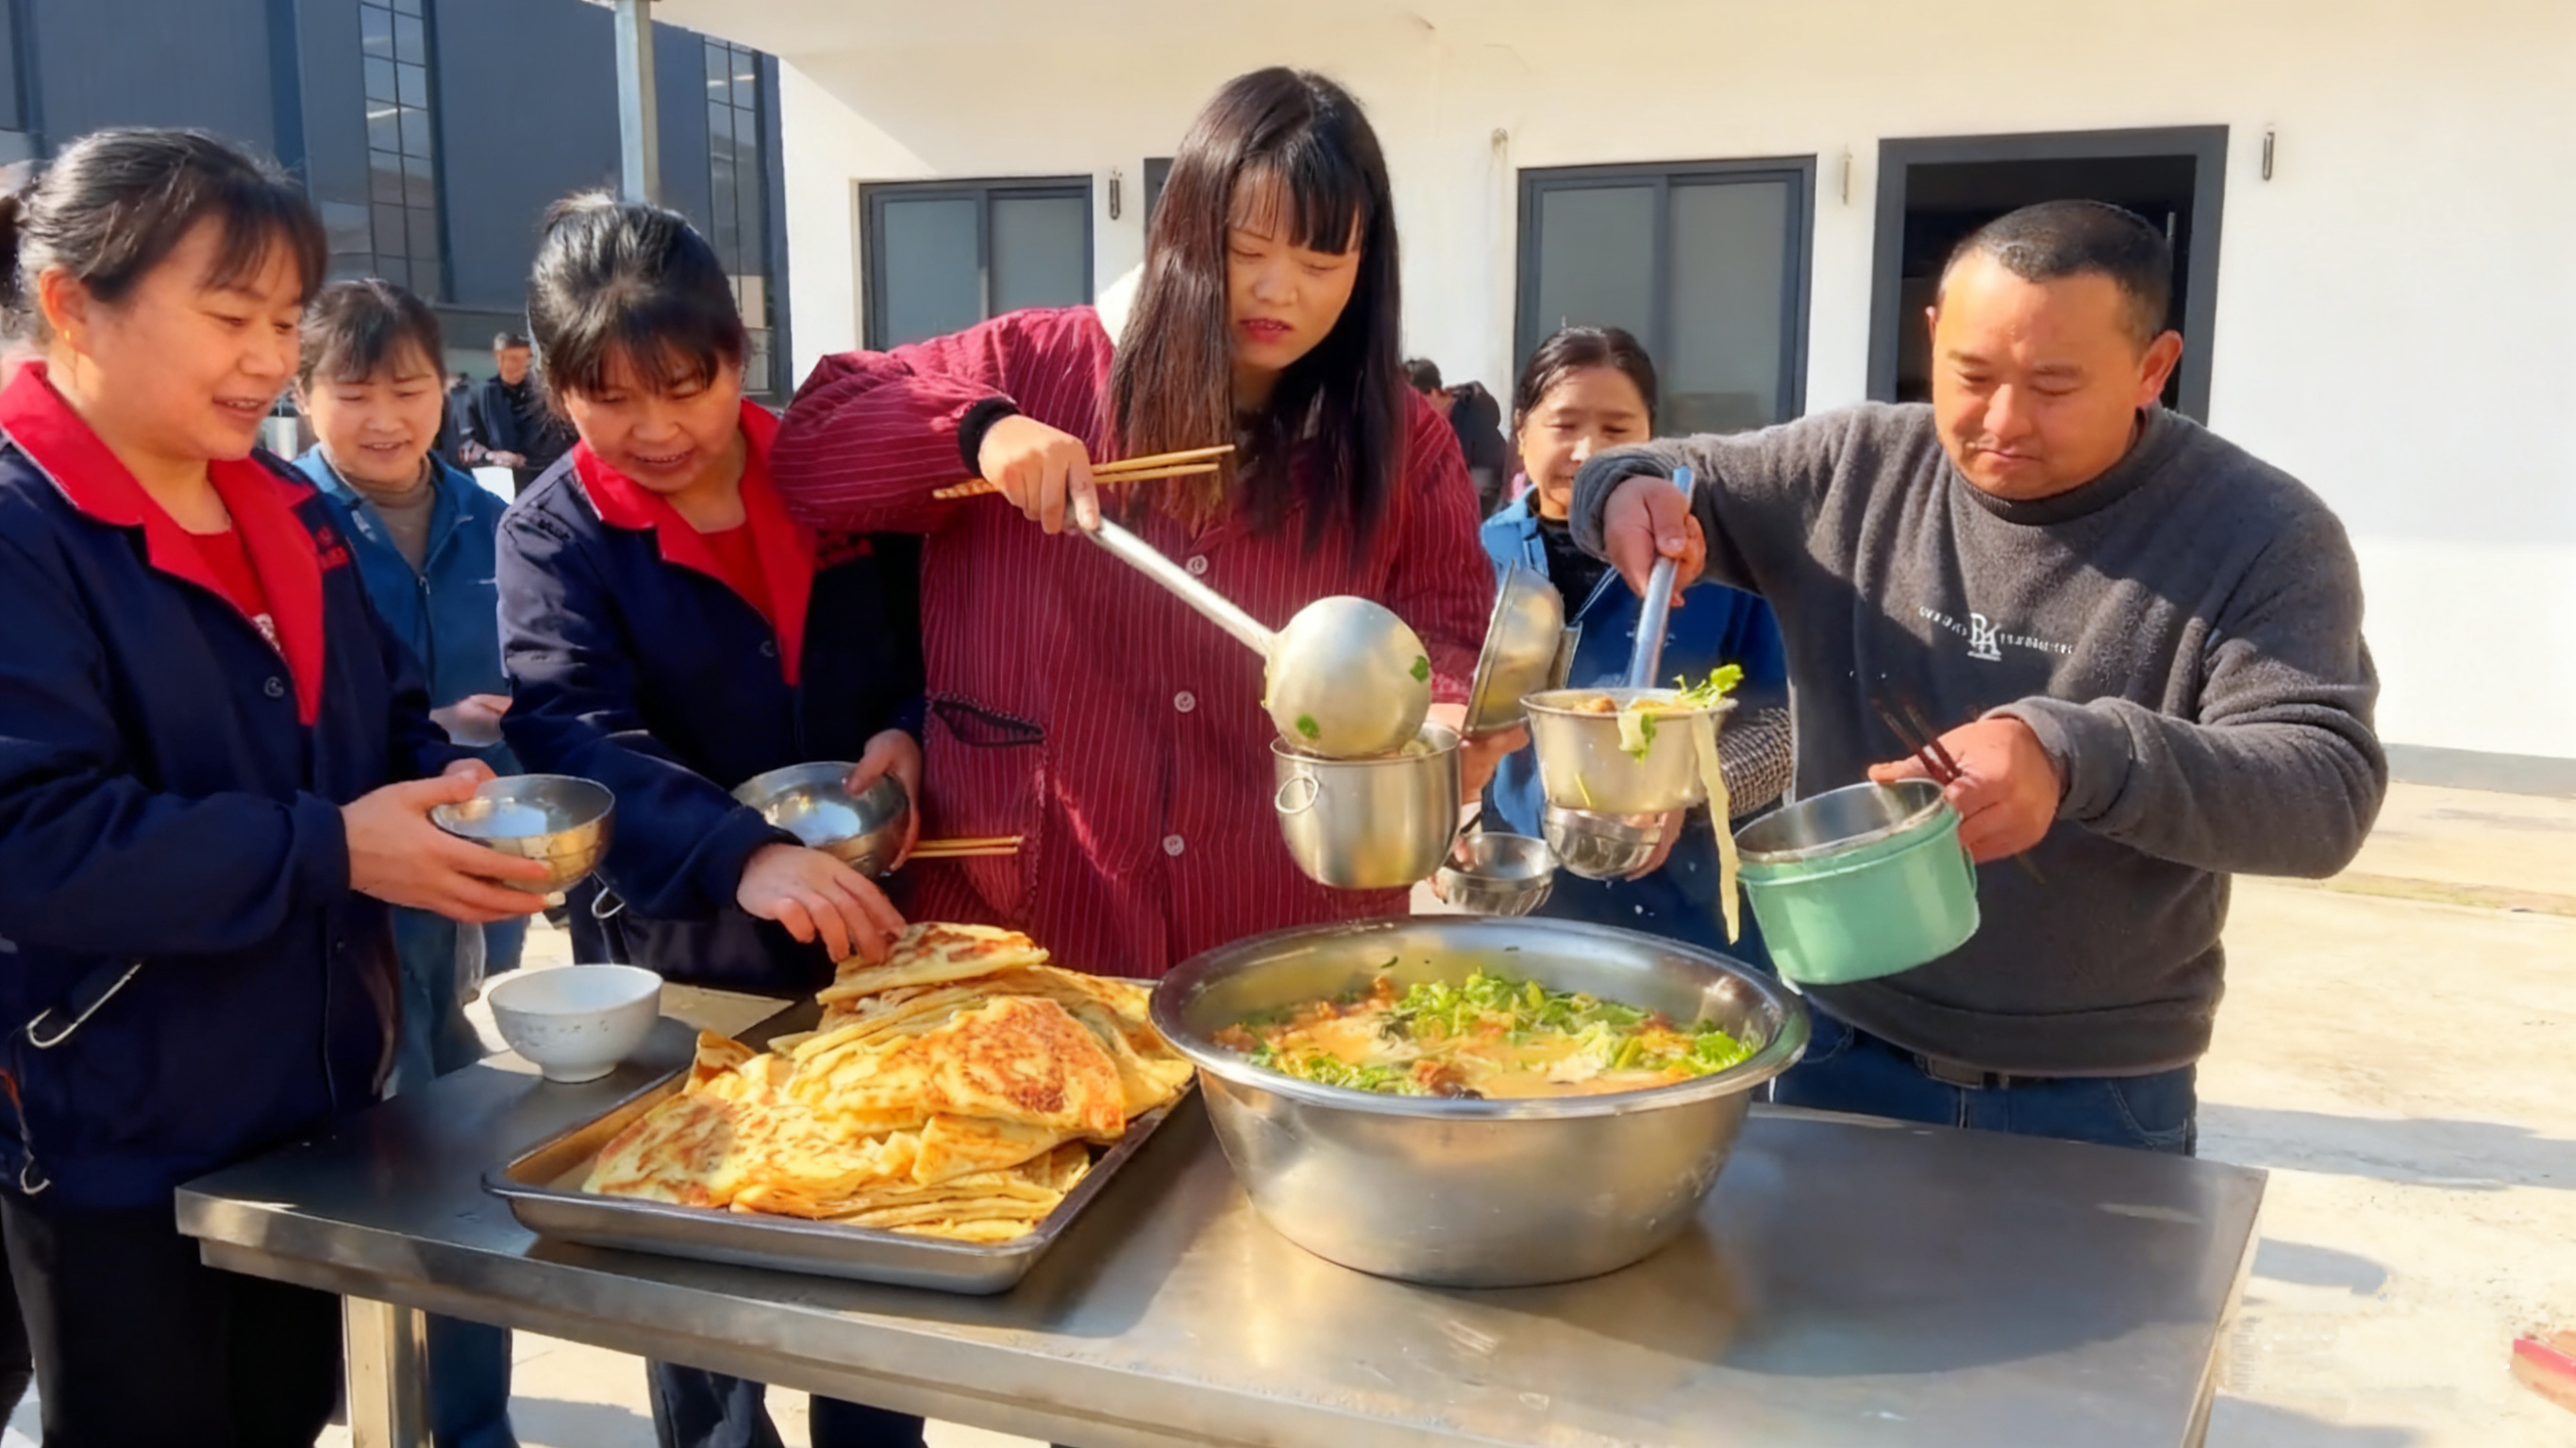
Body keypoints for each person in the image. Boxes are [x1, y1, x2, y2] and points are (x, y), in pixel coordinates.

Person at [1575, 200, 2384, 1154]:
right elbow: (1669, 468)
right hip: (1839, 1044)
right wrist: (1622, 490)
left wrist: (2073, 752)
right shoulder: (1854, 467)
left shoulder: (2261, 534)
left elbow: (2322, 792)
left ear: (2154, 368)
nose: (2003, 421)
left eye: (2053, 385)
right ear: (1934, 336)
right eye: (1972, 374)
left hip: (2097, 1091)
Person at [0, 126, 548, 1445]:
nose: (267, 357)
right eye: (229, 313)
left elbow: (380, 716)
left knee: (284, 1410)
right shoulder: (24, 527)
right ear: (75, 302)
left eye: (284, 318)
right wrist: (335, 851)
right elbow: (32, 836)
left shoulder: (279, 511)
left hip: (307, 1105)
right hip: (115, 1128)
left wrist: (442, 783)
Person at [769, 68, 1495, 979]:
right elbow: (814, 441)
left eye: (1321, 264)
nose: (1279, 292)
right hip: (1028, 939)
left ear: (1366, 266)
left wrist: (1450, 717)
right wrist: (979, 434)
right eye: (1244, 249)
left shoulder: (1400, 438)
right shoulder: (1029, 368)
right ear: (1183, 233)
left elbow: (1449, 631)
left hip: (1284, 941)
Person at [493, 192, 926, 1448]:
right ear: (558, 389)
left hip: (869, 932)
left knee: (874, 1248)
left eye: (682, 386)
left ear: (736, 356)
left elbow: (935, 638)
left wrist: (912, 727)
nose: (652, 427)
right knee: (699, 1287)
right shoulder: (555, 531)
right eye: (607, 398)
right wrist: (740, 853)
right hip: (677, 948)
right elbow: (569, 728)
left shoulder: (833, 478)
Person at [290, 277, 525, 1448]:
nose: (385, 417)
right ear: (303, 393)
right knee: (368, 1162)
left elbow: (551, 691)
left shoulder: (497, 521)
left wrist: (501, 736)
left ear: (449, 387)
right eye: (354, 390)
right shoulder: (284, 521)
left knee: (467, 1154)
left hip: (482, 885)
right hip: (350, 892)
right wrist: (437, 727)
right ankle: (378, 1406)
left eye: (411, 388)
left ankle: (474, 1421)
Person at [1478, 326, 1793, 957]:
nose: (1589, 451)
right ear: (1521, 431)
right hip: (1528, 894)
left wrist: (1690, 789)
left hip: (1689, 904)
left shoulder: (1708, 558)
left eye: (1616, 429)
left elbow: (1784, 725)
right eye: (1564, 425)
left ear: (1653, 435)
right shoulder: (1479, 553)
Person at [462, 329, 571, 495]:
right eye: (513, 359)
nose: (519, 367)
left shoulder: (544, 397)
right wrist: (492, 456)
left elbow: (558, 446)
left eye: (525, 360)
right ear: (499, 358)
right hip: (494, 487)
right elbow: (466, 445)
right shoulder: (479, 395)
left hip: (539, 484)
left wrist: (524, 461)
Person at [1407, 356, 1511, 517]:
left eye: (1416, 403)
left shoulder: (1473, 417)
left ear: (1433, 393)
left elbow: (1488, 482)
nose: (1414, 413)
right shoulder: (1433, 426)